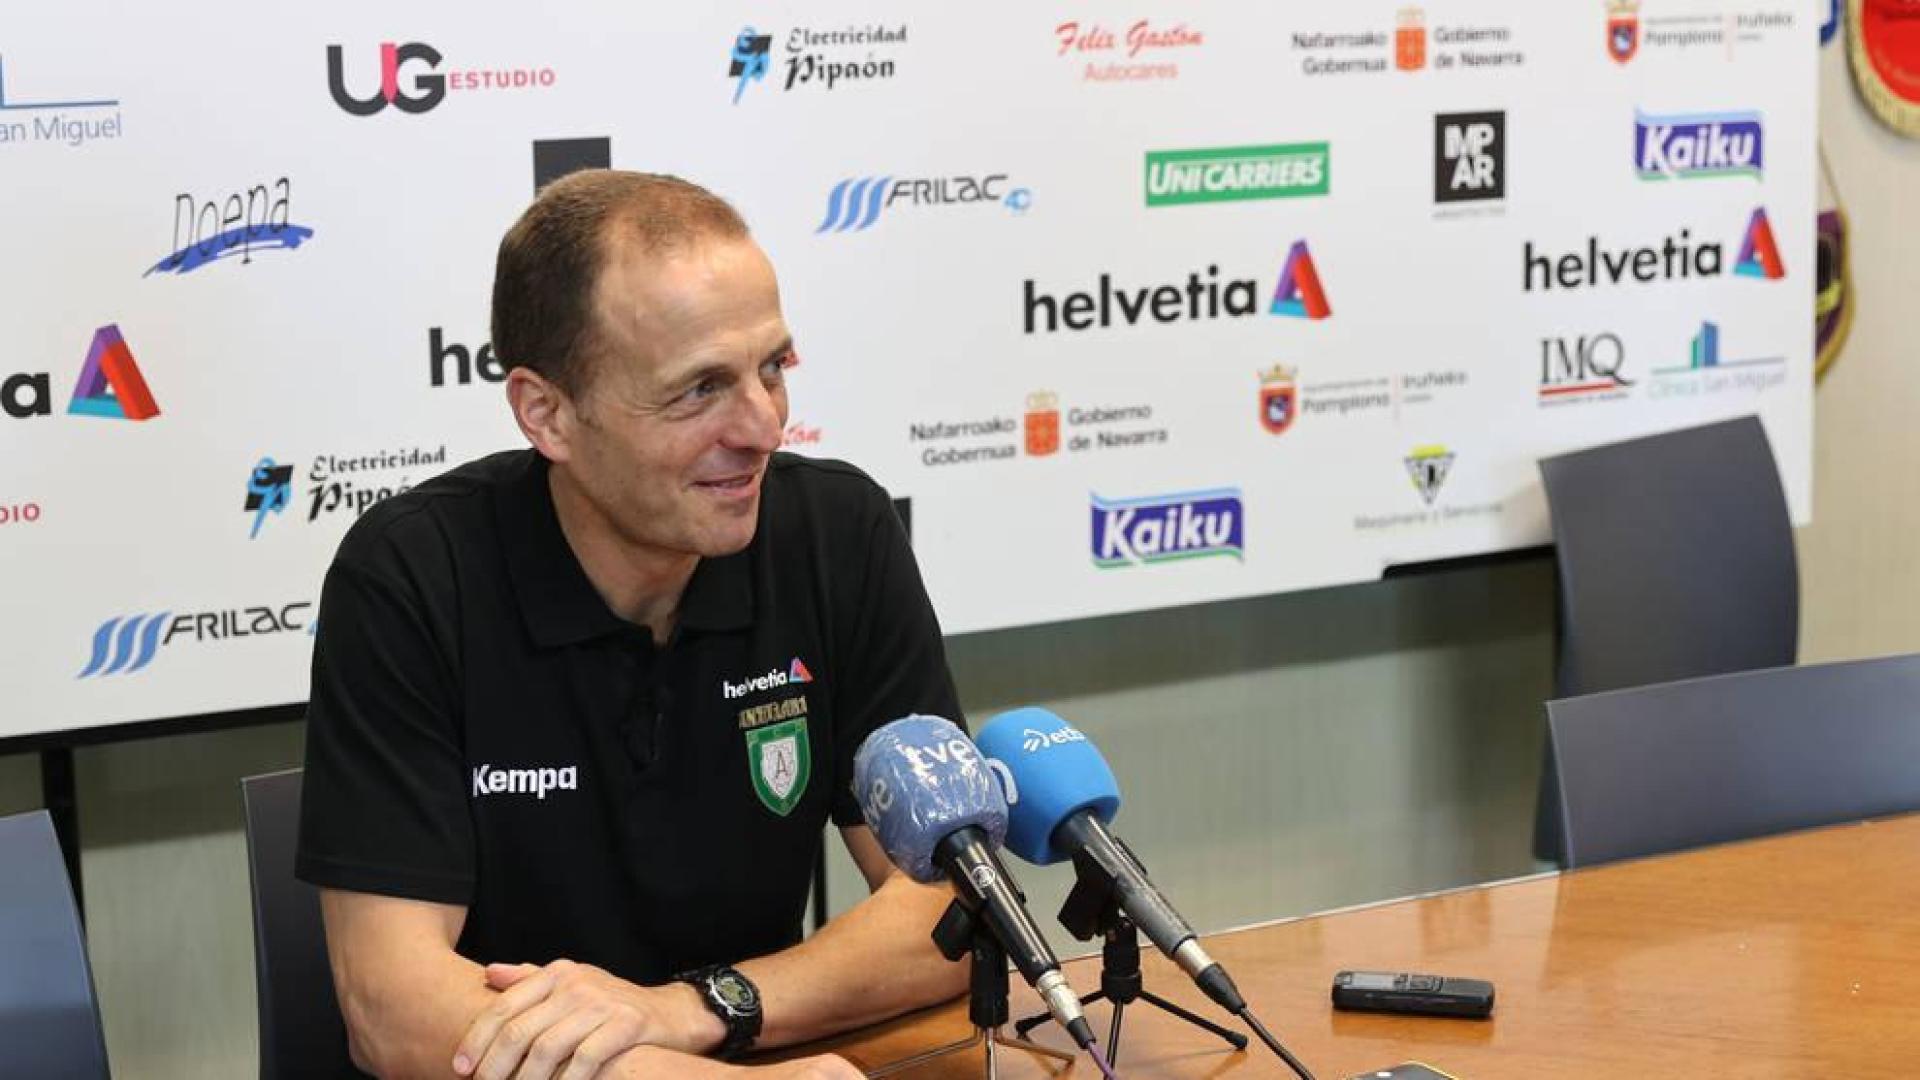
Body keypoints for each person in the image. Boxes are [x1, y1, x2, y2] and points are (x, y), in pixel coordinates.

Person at [296, 171, 969, 1079]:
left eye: (772, 368)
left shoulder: (837, 534)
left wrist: (692, 1010)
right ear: (548, 414)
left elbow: (951, 911)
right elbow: (393, 1006)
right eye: (698, 391)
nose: (763, 427)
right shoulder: (413, 575)